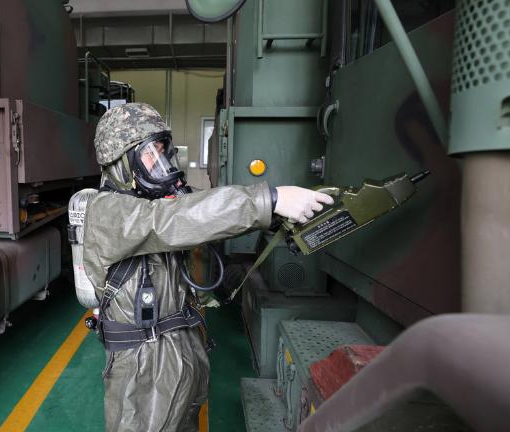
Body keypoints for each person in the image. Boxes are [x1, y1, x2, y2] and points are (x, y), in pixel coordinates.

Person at [83, 102, 333, 431]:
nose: (162, 164)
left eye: (163, 153)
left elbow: (205, 209)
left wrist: (270, 217)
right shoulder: (108, 212)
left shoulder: (151, 201)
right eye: (150, 155)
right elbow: (171, 221)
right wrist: (266, 200)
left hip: (182, 351)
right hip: (141, 373)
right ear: (121, 163)